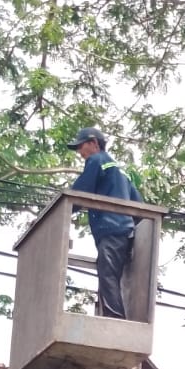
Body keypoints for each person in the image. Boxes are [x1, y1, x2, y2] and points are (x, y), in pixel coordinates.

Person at [67, 125, 143, 319]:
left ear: (94, 143)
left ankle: (115, 321)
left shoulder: (96, 160)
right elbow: (139, 207)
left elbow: (79, 193)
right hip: (126, 233)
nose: (80, 152)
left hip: (111, 230)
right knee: (112, 276)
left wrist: (56, 212)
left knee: (107, 276)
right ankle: (113, 318)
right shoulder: (121, 171)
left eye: (81, 146)